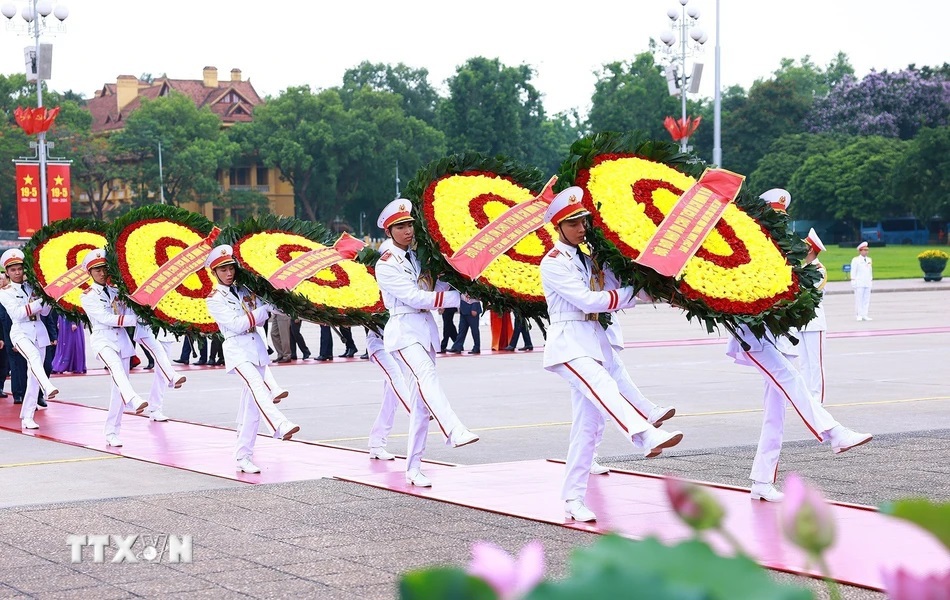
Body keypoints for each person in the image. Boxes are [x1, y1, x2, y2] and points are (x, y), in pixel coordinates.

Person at [539, 187, 684, 522]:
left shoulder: (588, 259)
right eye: (573, 223)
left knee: (586, 427)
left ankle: (573, 499)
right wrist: (629, 293)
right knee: (605, 386)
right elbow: (589, 301)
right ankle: (645, 434)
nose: (581, 228)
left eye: (584, 221)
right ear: (558, 227)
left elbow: (617, 288)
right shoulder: (553, 263)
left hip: (589, 341)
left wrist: (663, 291)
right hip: (567, 344)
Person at [724, 196, 873, 503]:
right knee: (793, 381)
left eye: (783, 215)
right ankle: (834, 433)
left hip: (778, 336)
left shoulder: (777, 249)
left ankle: (762, 481)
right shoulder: (748, 242)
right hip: (754, 334)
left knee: (775, 415)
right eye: (775, 215)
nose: (781, 221)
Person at [374, 197, 479, 487]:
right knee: (427, 376)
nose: (408, 231)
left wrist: (464, 285)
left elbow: (434, 285)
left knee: (420, 405)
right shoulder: (386, 264)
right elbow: (414, 297)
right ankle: (453, 429)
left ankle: (413, 468)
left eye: (410, 224)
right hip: (404, 330)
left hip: (425, 331)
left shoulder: (419, 257)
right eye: (401, 226)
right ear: (389, 232)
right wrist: (456, 299)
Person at [204, 244, 298, 474]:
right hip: (237, 350)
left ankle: (243, 456)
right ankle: (279, 424)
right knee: (258, 388)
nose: (229, 273)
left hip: (256, 348)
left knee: (251, 409)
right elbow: (236, 324)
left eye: (231, 268)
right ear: (214, 272)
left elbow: (270, 309)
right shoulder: (214, 298)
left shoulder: (245, 290)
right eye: (223, 269)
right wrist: (263, 311)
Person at [78, 248, 151, 445]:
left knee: (117, 388)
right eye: (97, 270)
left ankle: (112, 431)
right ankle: (133, 398)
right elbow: (105, 318)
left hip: (122, 342)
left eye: (104, 269)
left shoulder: (117, 291)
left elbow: (130, 307)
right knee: (117, 371)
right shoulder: (87, 295)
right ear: (90, 273)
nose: (102, 273)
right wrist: (133, 320)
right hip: (103, 341)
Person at [0, 249, 60, 429]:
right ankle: (48, 386)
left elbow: (46, 312)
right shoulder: (5, 292)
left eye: (20, 268)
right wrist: (40, 302)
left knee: (33, 376)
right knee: (33, 357)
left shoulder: (32, 287)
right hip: (20, 332)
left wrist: (49, 297)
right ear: (7, 272)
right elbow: (17, 313)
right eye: (13, 270)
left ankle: (27, 416)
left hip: (39, 331)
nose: (17, 272)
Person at [797, 229, 829, 404]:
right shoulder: (802, 268)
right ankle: (807, 397)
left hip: (814, 321)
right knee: (803, 363)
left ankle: (819, 399)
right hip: (800, 322)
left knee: (816, 363)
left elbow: (807, 293)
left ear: (810, 249)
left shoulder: (819, 269)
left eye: (804, 245)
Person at [850, 241, 873, 321]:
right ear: (860, 251)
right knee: (859, 299)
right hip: (859, 282)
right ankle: (859, 314)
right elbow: (853, 271)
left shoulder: (869, 259)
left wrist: (871, 280)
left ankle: (865, 314)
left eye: (867, 250)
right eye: (864, 250)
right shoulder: (856, 260)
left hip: (867, 282)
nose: (866, 252)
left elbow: (870, 271)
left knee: (866, 299)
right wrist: (853, 281)